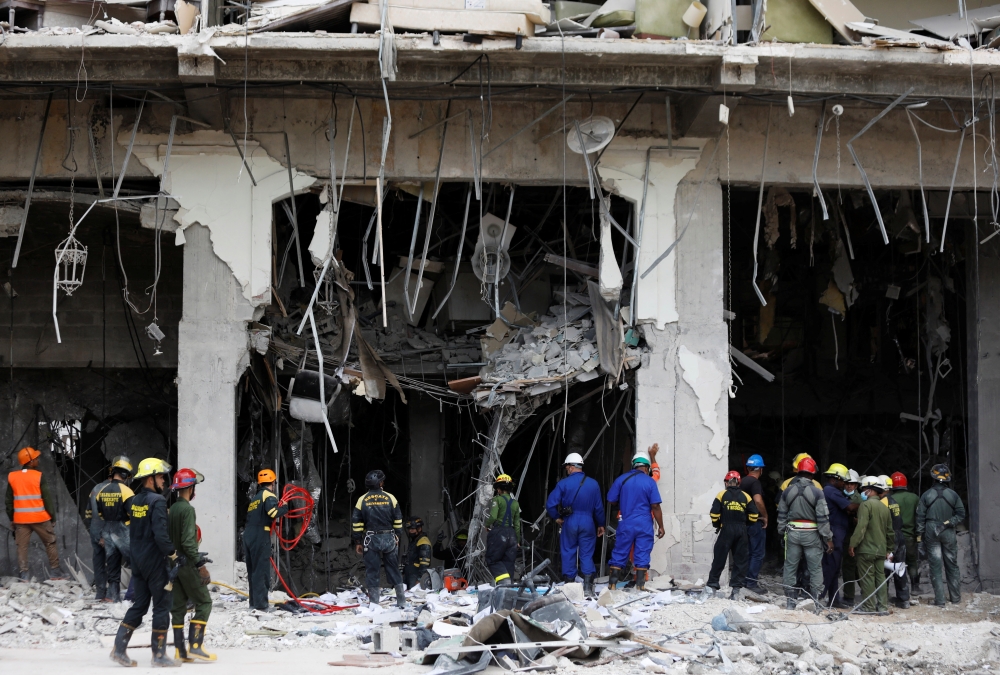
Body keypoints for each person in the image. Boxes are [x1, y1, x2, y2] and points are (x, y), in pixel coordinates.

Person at [110, 458, 180, 668]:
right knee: (161, 606)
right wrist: (174, 554)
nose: (163, 481)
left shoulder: (135, 501)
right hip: (155, 562)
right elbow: (160, 535)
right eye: (160, 477)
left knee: (139, 605)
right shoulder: (157, 501)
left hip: (138, 561)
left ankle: (119, 649)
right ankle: (159, 655)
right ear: (150, 479)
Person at [168, 468, 215, 662]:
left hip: (174, 566)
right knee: (204, 602)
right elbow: (188, 542)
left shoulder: (172, 509)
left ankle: (180, 650)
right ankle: (195, 645)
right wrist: (200, 565)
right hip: (187, 565)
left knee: (178, 607)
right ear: (191, 488)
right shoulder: (187, 510)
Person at [545, 452, 605, 596]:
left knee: (568, 551)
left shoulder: (563, 484)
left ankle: (570, 587)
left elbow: (550, 504)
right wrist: (601, 524)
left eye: (567, 468)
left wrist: (557, 517)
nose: (567, 470)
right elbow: (598, 508)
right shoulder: (593, 484)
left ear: (571, 467)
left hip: (569, 521)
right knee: (586, 554)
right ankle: (587, 587)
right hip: (588, 521)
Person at [776, 457, 832, 610]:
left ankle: (790, 602)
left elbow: (781, 515)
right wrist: (827, 538)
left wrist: (781, 533)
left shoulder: (787, 491)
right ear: (812, 474)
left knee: (790, 566)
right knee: (815, 568)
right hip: (812, 535)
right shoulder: (817, 492)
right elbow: (823, 518)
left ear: (798, 472)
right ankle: (817, 603)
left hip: (792, 534)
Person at [607, 455, 664, 591]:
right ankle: (640, 586)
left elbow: (611, 499)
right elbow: (655, 506)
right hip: (644, 522)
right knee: (642, 552)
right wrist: (661, 526)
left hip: (626, 521)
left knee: (620, 551)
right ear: (646, 467)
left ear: (634, 465)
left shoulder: (621, 479)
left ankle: (612, 584)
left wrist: (625, 500)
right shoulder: (650, 482)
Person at [5, 447, 63, 581]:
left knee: (22, 547)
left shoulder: (13, 477)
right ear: (30, 461)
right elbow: (47, 499)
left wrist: (12, 518)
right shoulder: (38, 476)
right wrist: (52, 517)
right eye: (35, 458)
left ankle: (24, 575)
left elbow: (8, 501)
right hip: (40, 518)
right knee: (50, 542)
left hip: (20, 520)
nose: (38, 459)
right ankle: (55, 572)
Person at [352, 469, 405, 608]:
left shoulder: (361, 500)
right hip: (389, 538)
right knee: (394, 569)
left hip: (371, 540)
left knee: (372, 571)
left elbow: (357, 523)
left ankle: (374, 604)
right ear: (380, 483)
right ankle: (402, 602)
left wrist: (358, 541)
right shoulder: (391, 498)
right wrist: (397, 536)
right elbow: (398, 519)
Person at [916, 464, 966, 607]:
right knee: (952, 564)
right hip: (948, 530)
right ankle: (955, 598)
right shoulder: (953, 495)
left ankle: (940, 600)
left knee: (935, 566)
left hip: (931, 529)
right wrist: (949, 522)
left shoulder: (926, 495)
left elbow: (920, 517)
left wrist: (919, 536)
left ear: (933, 477)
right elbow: (961, 514)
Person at [86, 456, 133, 602]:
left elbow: (91, 513)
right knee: (134, 561)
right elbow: (133, 514)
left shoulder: (98, 490)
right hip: (116, 531)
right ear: (124, 474)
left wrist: (99, 534)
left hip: (100, 530)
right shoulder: (125, 491)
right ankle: (132, 595)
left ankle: (106, 595)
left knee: (104, 562)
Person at [707, 471, 759, 599]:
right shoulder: (746, 496)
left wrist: (717, 524)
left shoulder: (721, 495)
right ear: (739, 483)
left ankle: (712, 587)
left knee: (719, 558)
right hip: (741, 531)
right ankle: (736, 591)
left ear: (726, 482)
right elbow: (754, 515)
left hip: (726, 529)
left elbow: (714, 513)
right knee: (740, 560)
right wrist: (745, 524)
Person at [848, 476, 894, 614]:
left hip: (866, 549)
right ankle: (883, 607)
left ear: (869, 490)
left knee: (867, 577)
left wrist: (852, 544)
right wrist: (889, 549)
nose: (862, 491)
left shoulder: (866, 505)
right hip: (881, 549)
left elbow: (861, 526)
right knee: (880, 578)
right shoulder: (884, 507)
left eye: (863, 489)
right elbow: (890, 531)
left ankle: (868, 607)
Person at [245, 469, 289, 612]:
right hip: (260, 534)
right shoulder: (269, 495)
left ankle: (253, 603)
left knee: (253, 570)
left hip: (249, 535)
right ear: (273, 482)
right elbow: (273, 512)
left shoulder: (256, 498)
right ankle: (262, 605)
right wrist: (285, 507)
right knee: (261, 570)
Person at [821, 463, 857, 609]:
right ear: (835, 478)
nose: (844, 484)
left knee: (835, 568)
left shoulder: (833, 491)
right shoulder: (831, 491)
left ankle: (834, 600)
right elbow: (849, 507)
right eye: (843, 480)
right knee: (830, 566)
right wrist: (868, 504)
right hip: (834, 532)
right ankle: (819, 597)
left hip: (838, 532)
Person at [484, 473, 522, 586]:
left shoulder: (497, 500)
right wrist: (518, 540)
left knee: (492, 559)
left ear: (499, 489)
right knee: (508, 562)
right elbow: (517, 524)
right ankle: (507, 587)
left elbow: (493, 517)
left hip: (499, 533)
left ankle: (503, 582)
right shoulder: (515, 503)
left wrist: (487, 525)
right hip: (512, 535)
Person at [879, 475, 908, 609]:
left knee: (885, 568)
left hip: (890, 537)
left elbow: (882, 523)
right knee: (900, 568)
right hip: (900, 535)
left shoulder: (883, 502)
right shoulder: (893, 500)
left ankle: (883, 600)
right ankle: (903, 599)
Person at [740, 454, 768, 591]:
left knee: (748, 552)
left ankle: (745, 581)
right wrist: (765, 516)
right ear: (760, 469)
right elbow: (757, 500)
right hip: (755, 522)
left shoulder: (742, 481)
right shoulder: (755, 483)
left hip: (743, 522)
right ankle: (751, 584)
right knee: (757, 553)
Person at [890, 471, 920, 596]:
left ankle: (901, 591)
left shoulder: (890, 499)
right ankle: (915, 588)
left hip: (895, 536)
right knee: (912, 561)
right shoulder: (914, 498)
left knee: (898, 562)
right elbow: (919, 517)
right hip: (911, 536)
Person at [840, 469, 863, 605]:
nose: (849, 486)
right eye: (847, 483)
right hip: (842, 534)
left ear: (856, 485)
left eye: (852, 484)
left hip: (852, 535)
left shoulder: (859, 499)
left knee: (851, 566)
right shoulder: (839, 495)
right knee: (848, 566)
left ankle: (849, 596)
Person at [403, 517, 432, 589]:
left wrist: (419, 579)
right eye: (409, 529)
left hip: (415, 575)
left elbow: (424, 564)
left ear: (419, 529)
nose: (410, 531)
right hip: (409, 574)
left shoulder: (423, 542)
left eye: (412, 529)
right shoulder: (415, 540)